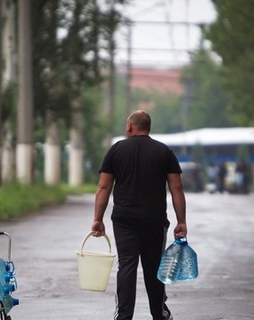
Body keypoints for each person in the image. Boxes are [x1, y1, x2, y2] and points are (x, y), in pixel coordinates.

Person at [91, 110, 187, 320]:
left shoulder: (116, 150)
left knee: (127, 265)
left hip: (124, 220)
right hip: (154, 220)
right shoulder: (164, 151)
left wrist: (97, 219)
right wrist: (181, 221)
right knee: (154, 267)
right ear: (148, 127)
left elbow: (103, 187)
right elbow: (176, 189)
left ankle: (124, 316)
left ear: (130, 127)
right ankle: (159, 314)